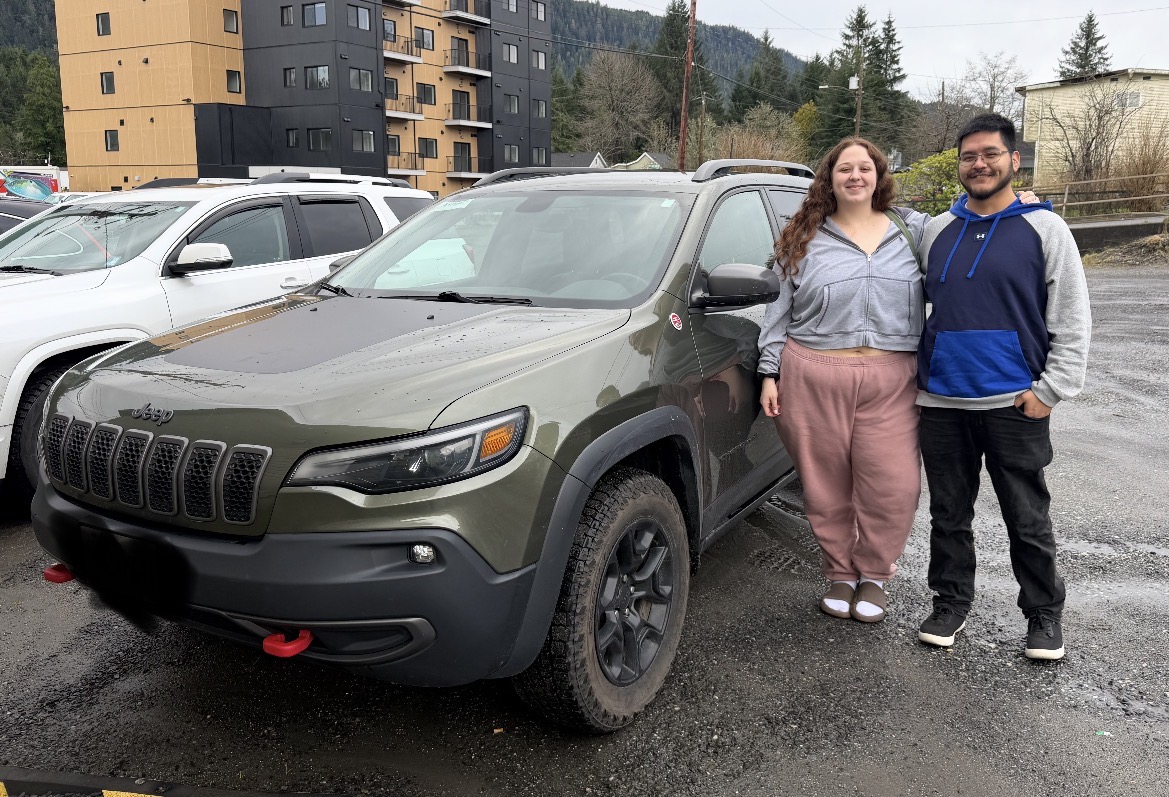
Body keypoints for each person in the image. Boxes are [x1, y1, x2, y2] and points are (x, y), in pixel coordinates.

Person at [914, 113, 1091, 661]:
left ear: (1014, 161)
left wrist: (1051, 390)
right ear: (960, 165)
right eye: (969, 156)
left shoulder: (1045, 230)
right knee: (948, 514)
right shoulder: (937, 232)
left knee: (1027, 516)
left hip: (1015, 400)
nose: (979, 164)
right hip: (941, 400)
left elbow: (1072, 316)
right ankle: (950, 604)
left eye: (991, 154)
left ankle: (1042, 615)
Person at [758, 137, 927, 624]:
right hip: (812, 374)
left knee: (893, 485)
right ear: (829, 180)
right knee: (824, 484)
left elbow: (972, 231)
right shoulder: (803, 235)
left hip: (893, 378)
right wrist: (769, 371)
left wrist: (1019, 205)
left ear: (879, 175)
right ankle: (839, 572)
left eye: (865, 168)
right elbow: (777, 310)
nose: (856, 176)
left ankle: (874, 573)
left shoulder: (913, 230)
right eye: (845, 169)